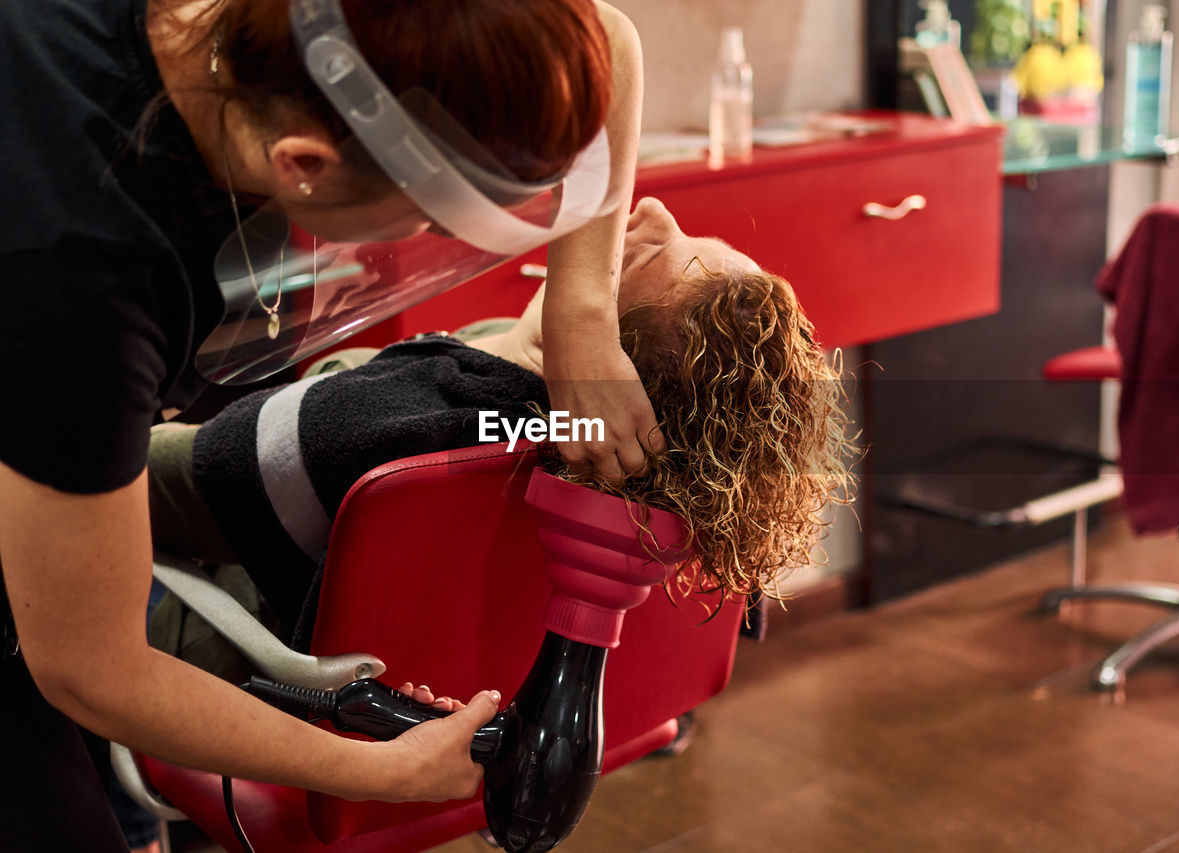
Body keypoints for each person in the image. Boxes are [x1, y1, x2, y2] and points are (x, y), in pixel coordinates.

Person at [0, 1, 657, 850]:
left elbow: (608, 34)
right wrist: (381, 771)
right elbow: (91, 666)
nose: (429, 237)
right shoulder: (81, 282)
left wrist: (582, 312)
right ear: (305, 163)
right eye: (427, 219)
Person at [148, 198, 857, 650]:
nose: (651, 208)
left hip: (206, 641)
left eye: (639, 254)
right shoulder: (684, 476)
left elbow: (154, 480)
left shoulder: (393, 423)